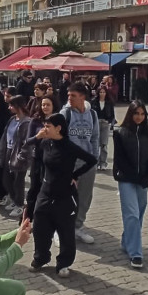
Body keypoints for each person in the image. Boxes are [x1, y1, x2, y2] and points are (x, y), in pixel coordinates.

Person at [26, 113, 97, 277]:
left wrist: (75, 175)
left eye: (48, 126)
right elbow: (26, 144)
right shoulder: (45, 143)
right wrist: (37, 136)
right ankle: (41, 258)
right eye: (44, 126)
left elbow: (91, 160)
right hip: (45, 193)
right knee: (40, 228)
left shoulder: (69, 147)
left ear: (58, 128)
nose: (45, 129)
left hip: (65, 196)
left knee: (65, 231)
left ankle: (64, 263)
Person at [113, 101, 148, 269]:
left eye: (142, 114)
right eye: (136, 113)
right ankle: (136, 253)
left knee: (140, 213)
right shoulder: (120, 133)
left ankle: (126, 241)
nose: (139, 117)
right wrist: (134, 177)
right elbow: (120, 160)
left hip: (143, 180)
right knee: (132, 214)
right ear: (130, 114)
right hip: (126, 180)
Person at [61, 82, 99, 244]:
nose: (69, 98)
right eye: (68, 95)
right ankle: (61, 229)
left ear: (83, 97)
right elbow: (59, 140)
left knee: (85, 197)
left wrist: (94, 157)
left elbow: (95, 137)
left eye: (73, 95)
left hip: (88, 164)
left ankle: (78, 226)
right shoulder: (65, 114)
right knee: (66, 197)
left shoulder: (93, 115)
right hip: (70, 164)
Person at [0, 95, 32, 219]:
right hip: (8, 151)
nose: (9, 107)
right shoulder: (12, 119)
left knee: (18, 181)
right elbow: (5, 135)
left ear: (18, 106)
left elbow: (26, 142)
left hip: (19, 154)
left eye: (11, 105)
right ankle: (14, 199)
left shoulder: (27, 122)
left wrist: (21, 156)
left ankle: (19, 204)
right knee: (6, 179)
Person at [91, 86, 115, 170]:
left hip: (105, 124)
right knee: (96, 144)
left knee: (104, 144)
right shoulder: (93, 101)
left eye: (104, 92)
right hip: (96, 124)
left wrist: (109, 122)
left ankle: (103, 163)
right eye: (100, 92)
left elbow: (112, 115)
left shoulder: (109, 102)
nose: (102, 94)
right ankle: (96, 162)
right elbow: (91, 114)